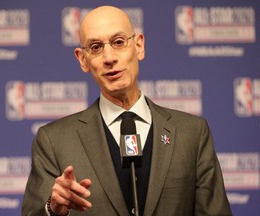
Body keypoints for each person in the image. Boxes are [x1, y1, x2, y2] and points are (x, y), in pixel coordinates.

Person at [22, 5, 232, 216]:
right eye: (95, 47)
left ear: (139, 46)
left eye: (119, 42)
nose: (109, 57)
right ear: (83, 60)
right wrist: (52, 209)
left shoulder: (192, 133)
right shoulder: (54, 141)